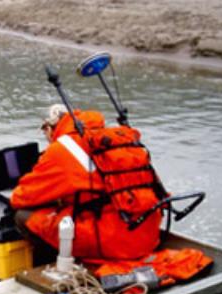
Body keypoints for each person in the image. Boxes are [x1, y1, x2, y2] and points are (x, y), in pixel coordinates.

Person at [10, 104, 162, 261]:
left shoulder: (61, 149)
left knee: (22, 216)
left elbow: (20, 198)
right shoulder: (118, 140)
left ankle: (53, 264)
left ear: (49, 128)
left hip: (111, 241)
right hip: (147, 235)